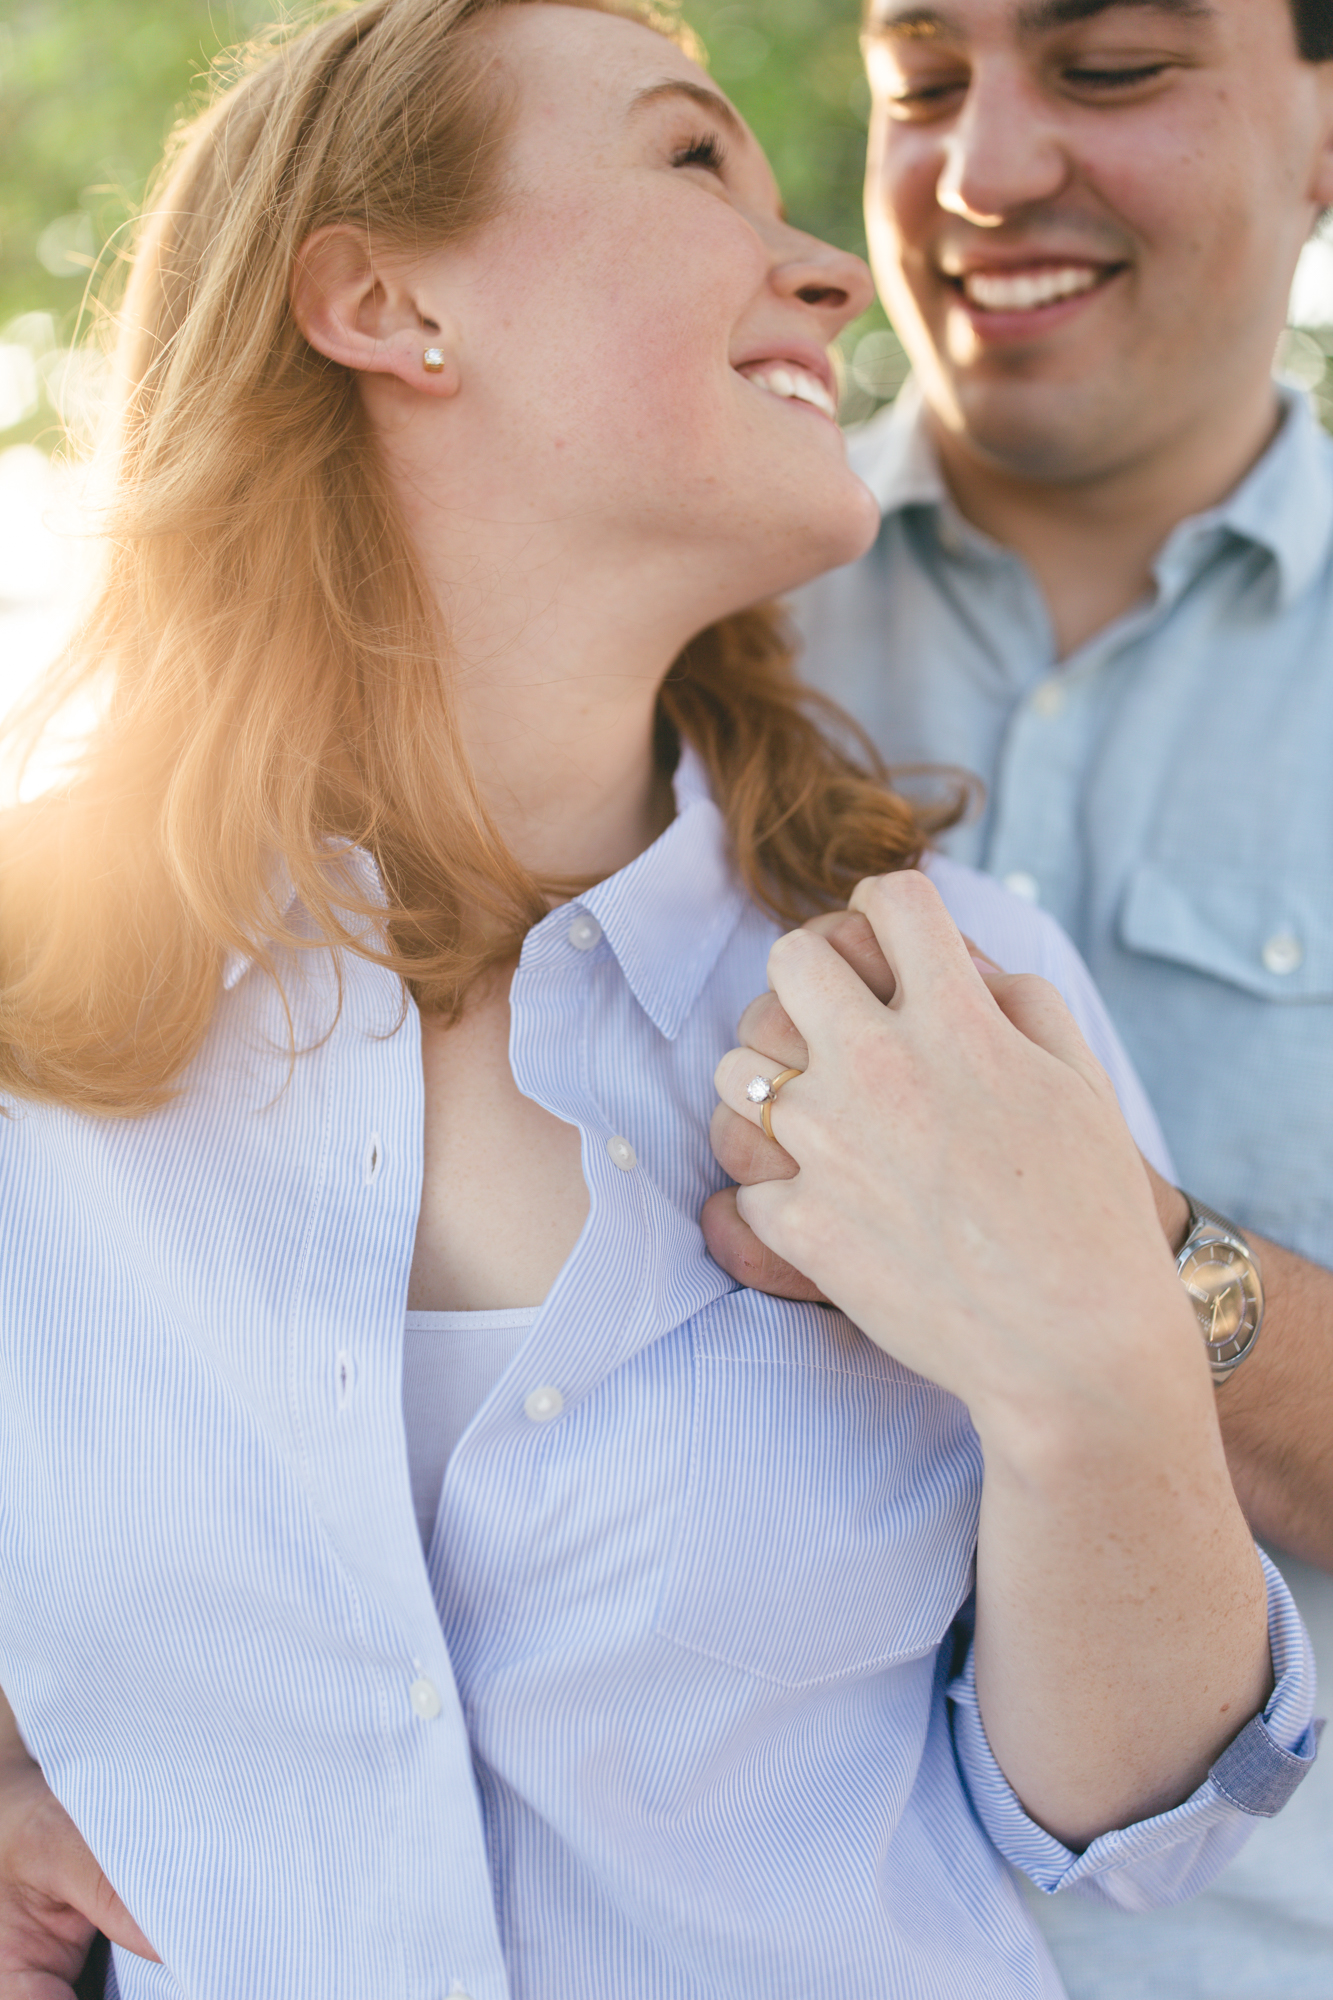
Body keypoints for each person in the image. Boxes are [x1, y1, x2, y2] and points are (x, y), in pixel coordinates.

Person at [0, 0, 1317, 1995]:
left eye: (1109, 66)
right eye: (698, 159)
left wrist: (1101, 1332)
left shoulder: (949, 979)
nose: (839, 255)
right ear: (380, 301)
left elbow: (1127, 1815)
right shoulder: (43, 990)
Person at [702, 0, 1333, 1994]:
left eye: (1109, 69)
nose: (977, 178)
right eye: (918, 86)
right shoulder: (648, 620)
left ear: (1324, 135)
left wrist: (1113, 1266)